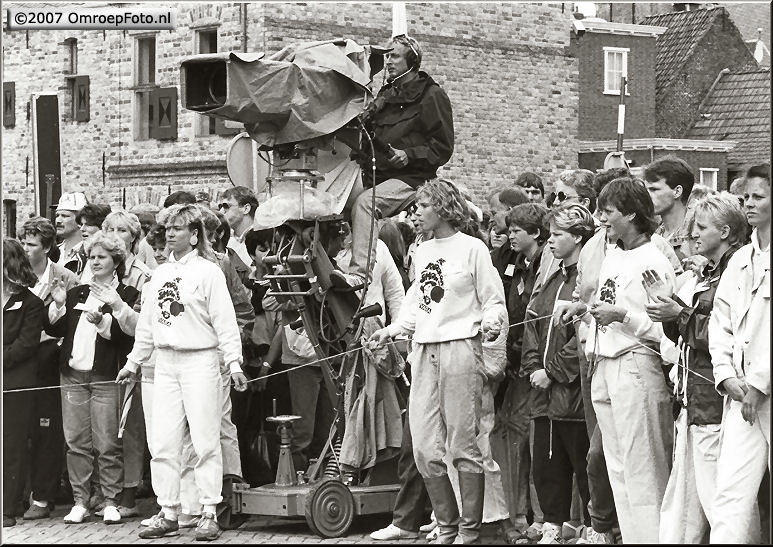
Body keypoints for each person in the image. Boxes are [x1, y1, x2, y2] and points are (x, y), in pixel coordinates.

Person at [369, 178, 507, 544]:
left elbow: (493, 299)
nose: (416, 211)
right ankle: (445, 524)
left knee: (463, 443)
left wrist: (491, 323)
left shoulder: (473, 248)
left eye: (424, 204)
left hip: (461, 347)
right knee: (425, 448)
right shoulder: (421, 251)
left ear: (444, 208)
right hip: (423, 350)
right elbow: (418, 304)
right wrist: (392, 329)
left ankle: (467, 529)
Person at [117, 203, 248, 541]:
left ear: (194, 235)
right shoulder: (159, 274)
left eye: (177, 229)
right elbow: (147, 325)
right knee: (162, 440)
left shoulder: (209, 272)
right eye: (168, 229)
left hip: (200, 360)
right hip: (165, 362)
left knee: (205, 438)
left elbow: (225, 321)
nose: (170, 234)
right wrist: (133, 362)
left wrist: (233, 362)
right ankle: (169, 509)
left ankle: (208, 510)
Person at [569, 177, 675, 544]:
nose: (600, 218)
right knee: (617, 468)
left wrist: (622, 317)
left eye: (608, 211)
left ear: (631, 213)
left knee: (643, 467)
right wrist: (585, 310)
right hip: (603, 362)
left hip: (635, 364)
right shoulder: (613, 254)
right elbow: (607, 304)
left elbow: (665, 330)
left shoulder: (654, 260)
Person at [649, 194, 747, 543]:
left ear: (726, 231)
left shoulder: (737, 273)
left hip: (716, 402)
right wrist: (671, 310)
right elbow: (688, 333)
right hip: (693, 399)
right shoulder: (711, 273)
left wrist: (681, 315)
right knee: (685, 500)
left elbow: (726, 335)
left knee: (719, 499)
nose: (695, 235)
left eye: (702, 228)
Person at [334, 34, 454, 288]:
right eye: (386, 56)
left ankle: (359, 276)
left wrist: (409, 155)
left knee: (366, 204)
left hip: (412, 179)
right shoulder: (386, 94)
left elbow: (443, 147)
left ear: (412, 60)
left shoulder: (432, 95)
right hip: (376, 173)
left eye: (394, 56)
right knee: (334, 202)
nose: (388, 61)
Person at [47, 231, 141, 525]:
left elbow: (125, 337)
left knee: (107, 442)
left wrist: (102, 320)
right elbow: (57, 330)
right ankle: (80, 501)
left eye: (102, 257)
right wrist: (60, 304)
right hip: (73, 376)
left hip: (104, 377)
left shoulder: (126, 294)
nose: (95, 262)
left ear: (116, 261)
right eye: (92, 257)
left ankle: (110, 500)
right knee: (76, 442)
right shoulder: (78, 291)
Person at [521, 204, 596, 544]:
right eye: (549, 234)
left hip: (573, 394)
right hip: (544, 395)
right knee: (547, 466)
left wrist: (551, 372)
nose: (550, 241)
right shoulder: (554, 278)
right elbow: (533, 326)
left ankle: (593, 526)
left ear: (578, 237)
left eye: (557, 235)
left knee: (583, 464)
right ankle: (553, 520)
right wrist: (535, 367)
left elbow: (583, 337)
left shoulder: (586, 279)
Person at [709, 163, 771, 543]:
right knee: (729, 493)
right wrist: (725, 373)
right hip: (740, 397)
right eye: (746, 197)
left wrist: (761, 384)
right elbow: (721, 321)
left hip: (763, 391)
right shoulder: (740, 260)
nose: (748, 204)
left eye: (758, 197)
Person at [20, 218, 80, 522]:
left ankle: (43, 496)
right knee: (20, 430)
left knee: (47, 430)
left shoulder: (66, 278)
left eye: (31, 244)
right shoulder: (15, 275)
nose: (25, 249)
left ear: (46, 247)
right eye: (24, 243)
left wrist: (56, 311)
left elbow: (73, 322)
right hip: (19, 363)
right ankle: (20, 493)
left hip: (50, 364)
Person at [3, 239, 45, 528]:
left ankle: (7, 506)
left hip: (15, 383)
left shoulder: (31, 303)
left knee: (11, 445)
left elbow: (27, 345)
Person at [644, 155, 695, 262]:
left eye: (654, 189)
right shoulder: (652, 234)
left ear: (677, 191)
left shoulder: (697, 234)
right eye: (646, 189)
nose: (645, 195)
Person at [218, 186, 259, 274]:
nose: (221, 211)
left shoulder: (262, 238)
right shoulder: (227, 241)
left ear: (246, 208)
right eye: (220, 206)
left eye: (226, 206)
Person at [55, 191, 89, 275]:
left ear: (81, 220)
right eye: (57, 215)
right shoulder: (53, 252)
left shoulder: (89, 254)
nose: (58, 220)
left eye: (65, 216)